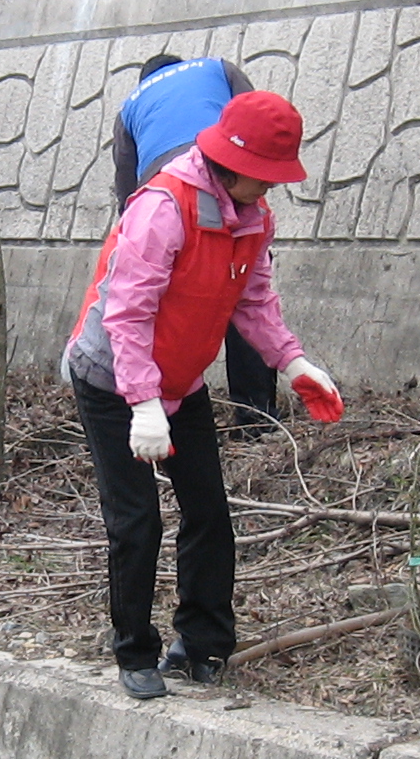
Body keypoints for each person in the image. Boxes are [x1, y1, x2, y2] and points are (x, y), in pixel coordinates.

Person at [62, 91, 344, 700]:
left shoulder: (253, 217)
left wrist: (293, 362)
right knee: (137, 521)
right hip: (113, 378)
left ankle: (202, 644)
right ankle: (134, 651)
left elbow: (254, 301)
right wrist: (142, 405)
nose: (270, 189)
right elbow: (127, 314)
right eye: (264, 175)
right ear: (230, 163)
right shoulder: (163, 207)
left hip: (181, 380)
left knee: (209, 512)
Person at [112, 52, 277, 430]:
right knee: (242, 292)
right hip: (229, 176)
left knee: (162, 306)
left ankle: (158, 400)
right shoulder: (218, 69)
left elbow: (125, 183)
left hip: (167, 196)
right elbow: (255, 119)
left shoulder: (131, 105)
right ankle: (257, 416)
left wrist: (135, 233)